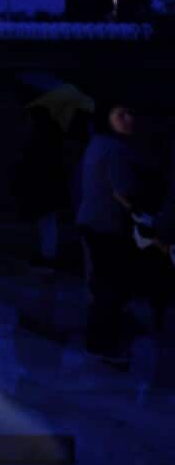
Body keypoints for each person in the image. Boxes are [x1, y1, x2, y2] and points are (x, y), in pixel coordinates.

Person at [76, 102, 142, 367]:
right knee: (110, 287)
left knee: (102, 285)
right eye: (121, 115)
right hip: (106, 225)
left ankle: (98, 341)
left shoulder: (97, 144)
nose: (128, 119)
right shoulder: (115, 150)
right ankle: (103, 343)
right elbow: (123, 191)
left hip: (92, 221)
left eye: (130, 113)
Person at [15, 107, 71, 269]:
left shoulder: (40, 138)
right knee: (47, 221)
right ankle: (47, 253)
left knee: (46, 221)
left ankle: (48, 255)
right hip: (48, 186)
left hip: (44, 186)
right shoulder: (50, 136)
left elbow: (35, 163)